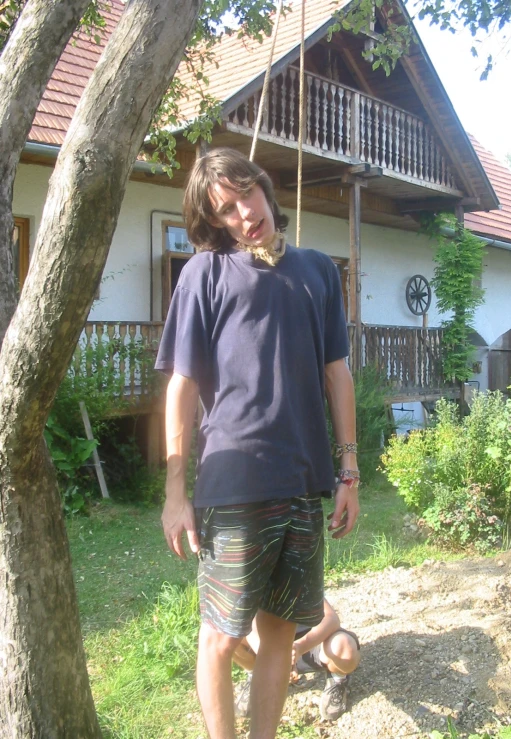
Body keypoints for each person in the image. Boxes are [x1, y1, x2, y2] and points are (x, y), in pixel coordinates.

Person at [155, 147, 359, 739]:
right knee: (220, 637)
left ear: (264, 188)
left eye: (246, 193)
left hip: (303, 482)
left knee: (278, 636)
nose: (244, 213)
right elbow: (183, 386)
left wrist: (348, 473)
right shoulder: (205, 274)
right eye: (225, 209)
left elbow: (336, 376)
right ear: (214, 222)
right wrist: (175, 492)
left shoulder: (319, 270)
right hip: (235, 483)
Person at [233, 599, 361, 722]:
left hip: (310, 643)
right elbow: (245, 621)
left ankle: (338, 679)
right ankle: (256, 675)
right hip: (270, 648)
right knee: (227, 635)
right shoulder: (251, 581)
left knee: (344, 646)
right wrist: (272, 659)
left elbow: (331, 619)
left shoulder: (299, 577)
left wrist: (299, 647)